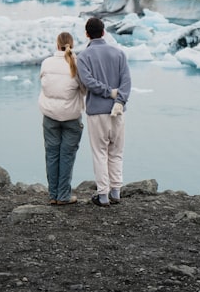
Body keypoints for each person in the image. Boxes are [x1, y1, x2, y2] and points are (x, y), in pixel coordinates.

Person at [75, 16, 131, 207]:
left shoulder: (83, 57)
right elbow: (126, 81)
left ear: (87, 34)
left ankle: (103, 195)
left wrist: (107, 92)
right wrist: (119, 99)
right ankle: (116, 191)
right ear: (104, 32)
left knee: (100, 153)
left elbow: (87, 82)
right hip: (118, 110)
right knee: (116, 151)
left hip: (97, 112)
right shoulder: (119, 53)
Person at [37, 31, 85, 205]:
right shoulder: (76, 64)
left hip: (50, 116)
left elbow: (43, 82)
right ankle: (63, 195)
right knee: (67, 156)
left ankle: (53, 195)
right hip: (71, 117)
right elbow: (84, 89)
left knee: (51, 154)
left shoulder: (46, 63)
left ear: (57, 45)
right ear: (71, 45)